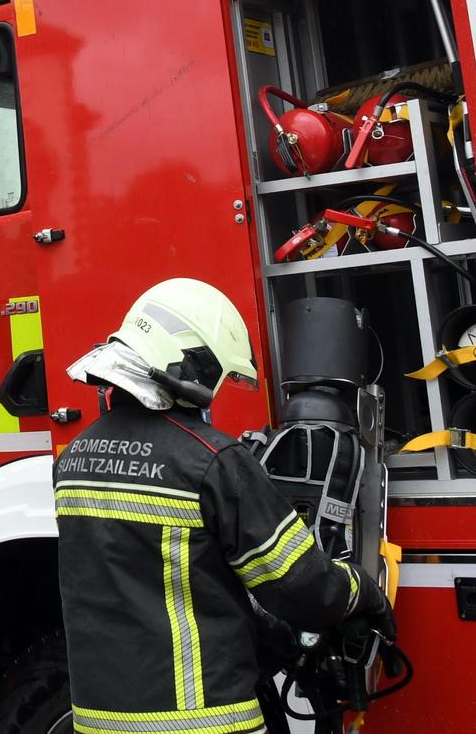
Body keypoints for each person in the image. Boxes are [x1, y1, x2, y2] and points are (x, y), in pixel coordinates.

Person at [53, 279, 395, 734]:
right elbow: (296, 583)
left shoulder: (74, 457)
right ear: (194, 365)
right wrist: (360, 592)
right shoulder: (210, 460)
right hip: (201, 719)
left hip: (99, 718)